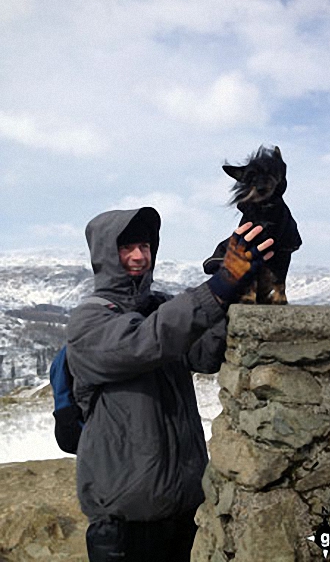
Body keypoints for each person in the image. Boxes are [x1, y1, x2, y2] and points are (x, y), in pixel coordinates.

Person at [66, 206, 274, 562]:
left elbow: (204, 356)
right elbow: (147, 342)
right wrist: (218, 286)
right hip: (124, 523)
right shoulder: (88, 321)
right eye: (126, 247)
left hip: (184, 510)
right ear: (104, 255)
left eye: (145, 246)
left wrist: (238, 293)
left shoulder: (158, 306)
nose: (138, 255)